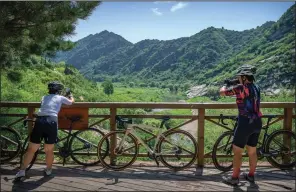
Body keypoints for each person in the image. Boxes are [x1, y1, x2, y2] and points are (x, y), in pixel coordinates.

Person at [15, 81, 74, 179]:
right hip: (51, 121)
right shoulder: (60, 98)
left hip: (40, 121)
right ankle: (48, 170)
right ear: (58, 91)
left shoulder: (44, 97)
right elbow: (71, 102)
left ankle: (22, 171)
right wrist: (71, 96)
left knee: (31, 149)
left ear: (49, 90)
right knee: (49, 150)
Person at [219, 64, 262, 186]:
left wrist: (225, 84)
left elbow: (222, 93)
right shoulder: (257, 87)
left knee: (237, 151)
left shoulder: (240, 88)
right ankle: (251, 176)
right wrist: (235, 82)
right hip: (257, 122)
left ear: (244, 77)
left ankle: (234, 178)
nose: (238, 79)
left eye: (239, 77)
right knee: (252, 151)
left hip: (245, 123)